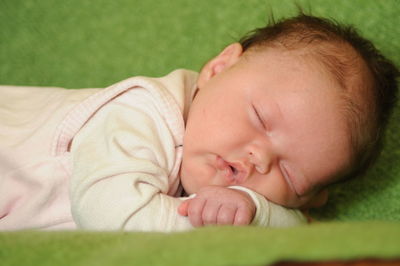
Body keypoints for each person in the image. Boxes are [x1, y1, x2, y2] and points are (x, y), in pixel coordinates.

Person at [0, 14, 398, 231]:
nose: (259, 158)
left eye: (291, 175)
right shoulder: (141, 112)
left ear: (308, 198)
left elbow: (299, 230)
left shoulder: (264, 197)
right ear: (218, 69)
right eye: (259, 118)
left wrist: (252, 208)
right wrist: (228, 222)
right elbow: (113, 219)